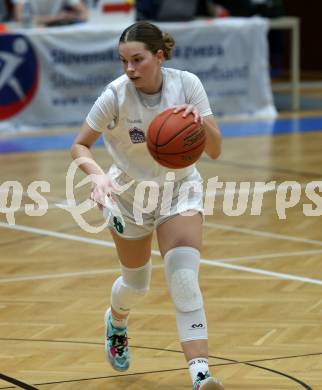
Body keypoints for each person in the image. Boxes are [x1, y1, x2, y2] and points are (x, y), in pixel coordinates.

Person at [71, 21, 223, 390]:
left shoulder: (187, 84)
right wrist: (97, 177)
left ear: (159, 56)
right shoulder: (114, 95)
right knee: (136, 284)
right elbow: (79, 145)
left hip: (179, 190)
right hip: (127, 195)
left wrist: (199, 125)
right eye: (123, 60)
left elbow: (216, 150)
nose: (129, 68)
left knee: (183, 277)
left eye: (137, 60)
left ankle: (200, 374)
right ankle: (117, 319)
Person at [12, 0, 88, 27]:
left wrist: (71, 17)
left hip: (56, 31)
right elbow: (18, 18)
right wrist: (57, 18)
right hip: (33, 33)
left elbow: (84, 14)